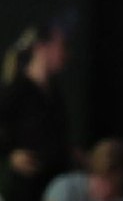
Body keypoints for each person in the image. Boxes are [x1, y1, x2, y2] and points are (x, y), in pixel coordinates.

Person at [0, 21, 72, 201]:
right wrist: (11, 154)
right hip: (27, 189)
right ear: (41, 47)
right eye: (61, 46)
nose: (65, 54)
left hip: (54, 185)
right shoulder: (16, 90)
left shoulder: (55, 94)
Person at [43, 138, 123, 201]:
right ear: (93, 172)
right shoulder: (64, 188)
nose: (108, 191)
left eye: (116, 187)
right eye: (104, 181)